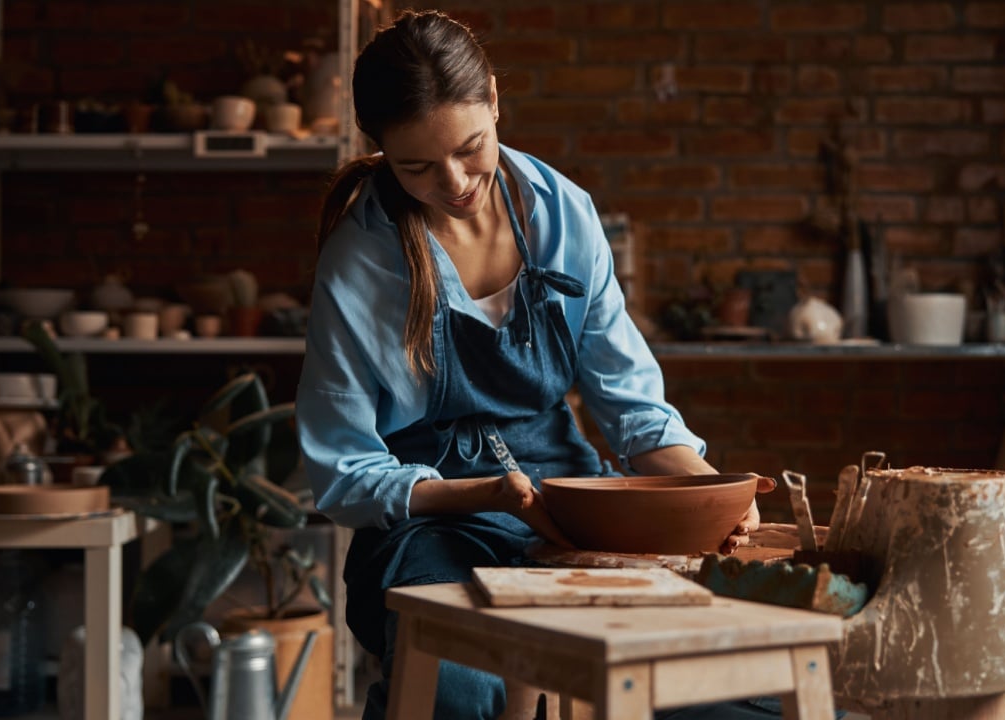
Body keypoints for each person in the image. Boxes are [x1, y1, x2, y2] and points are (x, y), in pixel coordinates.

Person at [296, 9, 780, 719]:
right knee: (459, 684)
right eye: (417, 167)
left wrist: (714, 496)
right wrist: (484, 493)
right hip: (430, 526)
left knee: (736, 683)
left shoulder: (563, 214)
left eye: (471, 147)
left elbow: (635, 412)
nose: (456, 182)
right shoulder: (360, 261)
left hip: (569, 501)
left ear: (494, 98)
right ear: (381, 150)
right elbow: (341, 472)